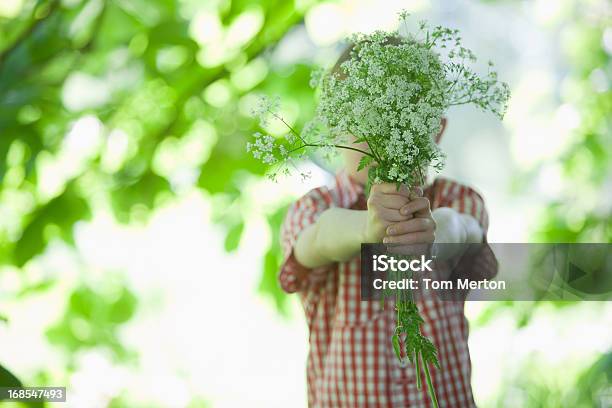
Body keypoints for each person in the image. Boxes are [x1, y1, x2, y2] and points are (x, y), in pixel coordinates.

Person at [278, 44, 497, 408]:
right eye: (368, 126)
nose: (385, 146)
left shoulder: (456, 200)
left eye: (402, 125)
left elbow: (466, 231)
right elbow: (317, 238)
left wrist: (434, 229)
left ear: (436, 131)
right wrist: (367, 228)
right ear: (336, 130)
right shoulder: (316, 208)